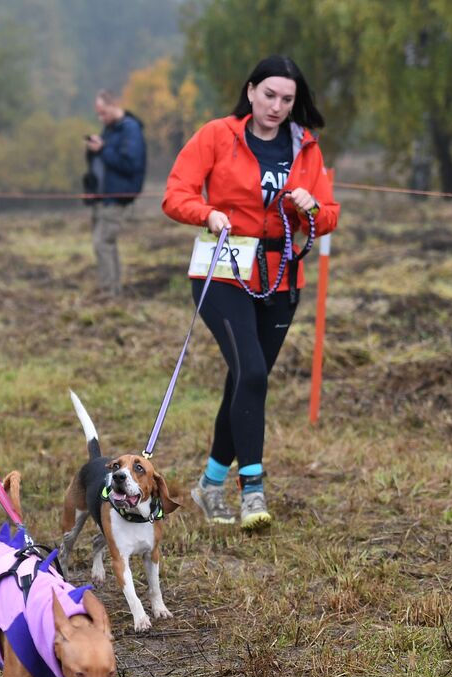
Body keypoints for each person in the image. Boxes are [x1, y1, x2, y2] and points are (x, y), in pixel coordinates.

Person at [163, 55, 338, 530]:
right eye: (269, 95)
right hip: (221, 272)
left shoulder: (307, 148)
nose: (277, 107)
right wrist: (207, 213)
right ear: (251, 90)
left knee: (246, 379)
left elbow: (327, 218)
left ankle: (210, 486)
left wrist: (312, 206)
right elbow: (174, 194)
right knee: (253, 371)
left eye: (287, 99)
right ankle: (253, 490)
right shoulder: (217, 135)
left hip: (281, 276)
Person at [85, 90, 146, 295]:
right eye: (98, 114)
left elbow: (130, 164)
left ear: (113, 105)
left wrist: (102, 150)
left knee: (102, 242)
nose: (100, 118)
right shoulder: (111, 130)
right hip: (104, 196)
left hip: (118, 196)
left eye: (103, 112)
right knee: (106, 243)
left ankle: (109, 291)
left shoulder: (130, 129)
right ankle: (112, 289)